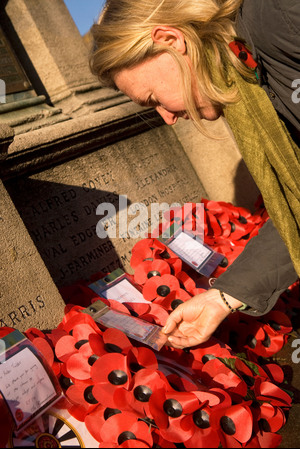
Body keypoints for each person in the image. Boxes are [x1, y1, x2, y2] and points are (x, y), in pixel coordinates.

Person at [90, 0, 300, 349]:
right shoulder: (246, 67)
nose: (167, 117)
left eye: (154, 98)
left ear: (171, 40)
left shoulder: (278, 15)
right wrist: (222, 298)